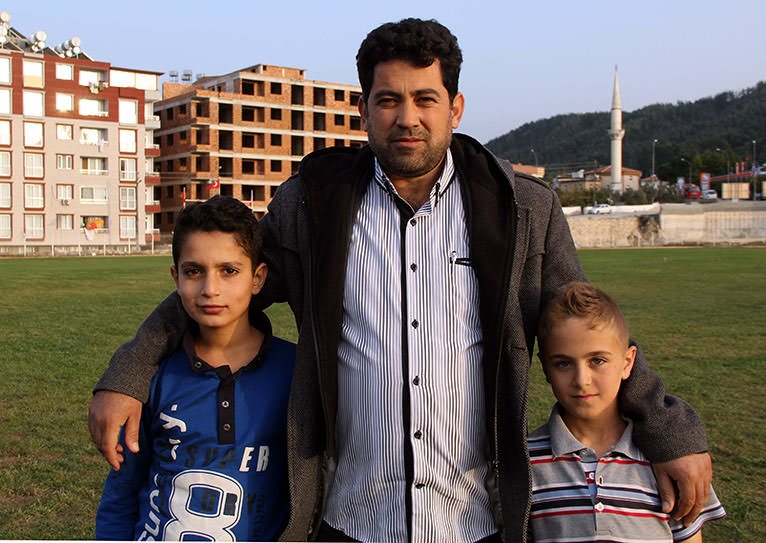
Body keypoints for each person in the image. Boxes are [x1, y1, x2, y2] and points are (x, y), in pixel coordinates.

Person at [89, 19, 712, 543]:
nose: (406, 117)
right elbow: (220, 289)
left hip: (475, 520)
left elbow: (585, 322)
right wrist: (129, 373)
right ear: (364, 109)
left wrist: (667, 428)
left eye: (424, 98)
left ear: (455, 107)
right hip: (349, 517)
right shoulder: (312, 206)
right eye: (388, 100)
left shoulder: (522, 210)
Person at [94, 196, 295, 541]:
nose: (210, 289)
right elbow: (120, 496)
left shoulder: (293, 371)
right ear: (176, 277)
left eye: (229, 271)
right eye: (193, 271)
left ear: (258, 277)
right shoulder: (150, 376)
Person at [528, 282, 725, 542]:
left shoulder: (668, 458)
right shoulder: (525, 460)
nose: (582, 379)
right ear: (545, 368)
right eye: (563, 363)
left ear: (628, 362)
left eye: (597, 360)